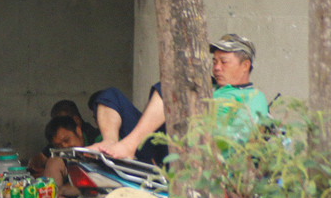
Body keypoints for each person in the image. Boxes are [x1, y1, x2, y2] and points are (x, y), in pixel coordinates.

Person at [95, 34, 270, 161]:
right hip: (163, 140)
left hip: (194, 154)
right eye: (214, 62)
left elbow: (237, 141)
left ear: (245, 65)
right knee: (110, 96)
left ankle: (129, 146)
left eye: (223, 62)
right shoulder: (207, 85)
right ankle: (110, 142)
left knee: (172, 88)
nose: (216, 68)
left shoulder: (253, 97)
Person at [39, 115, 87, 198]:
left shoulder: (98, 143)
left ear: (78, 131)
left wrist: (63, 190)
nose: (64, 146)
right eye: (58, 145)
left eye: (66, 140)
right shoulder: (58, 160)